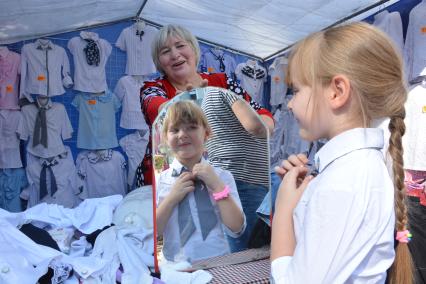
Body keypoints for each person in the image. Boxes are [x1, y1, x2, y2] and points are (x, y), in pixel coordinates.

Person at [270, 22, 413, 283]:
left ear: (337, 92)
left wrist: (283, 210)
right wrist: (303, 197)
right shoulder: (354, 169)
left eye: (297, 90)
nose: (290, 103)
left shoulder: (345, 180)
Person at [137, 24, 274, 251]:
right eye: (165, 51)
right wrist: (193, 98)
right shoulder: (153, 88)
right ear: (158, 61)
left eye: (180, 46)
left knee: (225, 238)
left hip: (222, 173)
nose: (175, 54)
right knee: (173, 238)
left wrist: (261, 129)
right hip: (168, 173)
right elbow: (158, 111)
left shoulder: (222, 81)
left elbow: (262, 115)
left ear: (194, 49)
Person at [156, 100, 246, 262]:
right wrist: (171, 199)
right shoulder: (161, 181)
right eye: (175, 130)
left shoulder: (222, 176)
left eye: (191, 127)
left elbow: (237, 228)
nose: (182, 134)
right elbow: (154, 232)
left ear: (206, 132)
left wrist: (218, 187)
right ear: (165, 138)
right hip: (176, 267)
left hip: (219, 262)